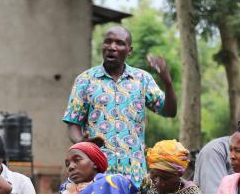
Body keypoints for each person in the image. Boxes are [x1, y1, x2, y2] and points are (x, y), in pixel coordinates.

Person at [62, 25, 177, 184]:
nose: (112, 47)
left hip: (134, 174)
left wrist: (168, 83)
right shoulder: (85, 80)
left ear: (130, 50)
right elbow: (73, 122)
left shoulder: (142, 79)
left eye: (120, 43)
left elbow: (169, 111)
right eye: (108, 42)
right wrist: (82, 141)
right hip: (96, 173)